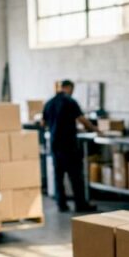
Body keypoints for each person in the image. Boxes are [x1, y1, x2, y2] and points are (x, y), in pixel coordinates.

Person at [42, 80, 97, 213]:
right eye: (72, 89)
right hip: (68, 144)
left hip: (55, 143)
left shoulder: (49, 103)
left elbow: (43, 123)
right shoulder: (70, 101)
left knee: (58, 176)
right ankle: (80, 204)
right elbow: (82, 119)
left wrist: (56, 126)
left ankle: (61, 204)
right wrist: (95, 129)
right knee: (75, 175)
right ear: (68, 88)